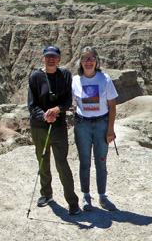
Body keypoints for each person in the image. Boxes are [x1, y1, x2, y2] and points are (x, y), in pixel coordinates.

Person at [28, 46, 80, 215]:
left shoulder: (65, 75)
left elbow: (67, 100)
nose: (51, 59)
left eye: (54, 57)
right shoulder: (35, 77)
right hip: (39, 127)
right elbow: (32, 105)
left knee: (62, 163)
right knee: (43, 161)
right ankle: (46, 194)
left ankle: (72, 202)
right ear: (43, 58)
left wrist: (56, 110)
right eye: (48, 56)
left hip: (58, 127)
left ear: (59, 59)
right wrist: (45, 115)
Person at [71, 46, 119, 211]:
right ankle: (86, 196)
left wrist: (110, 129)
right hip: (82, 125)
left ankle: (102, 196)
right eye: (85, 58)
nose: (88, 61)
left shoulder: (104, 79)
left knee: (101, 161)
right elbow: (66, 102)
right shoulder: (75, 80)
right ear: (80, 62)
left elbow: (112, 106)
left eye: (91, 58)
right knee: (84, 162)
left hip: (101, 125)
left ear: (97, 61)